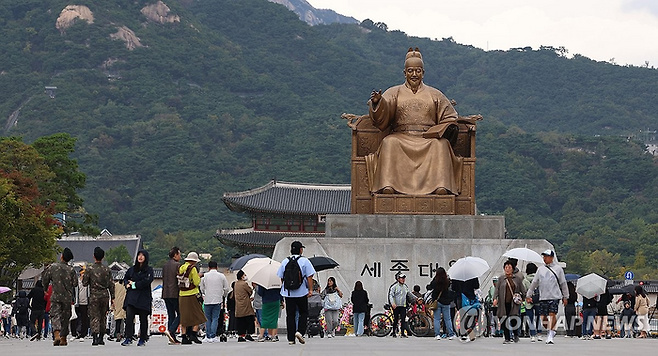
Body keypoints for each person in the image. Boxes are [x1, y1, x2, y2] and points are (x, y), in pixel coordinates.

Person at [366, 47, 462, 195]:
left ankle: (441, 187)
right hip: (401, 136)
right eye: (410, 71)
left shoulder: (435, 94)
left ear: (423, 73)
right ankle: (388, 186)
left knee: (441, 145)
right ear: (405, 73)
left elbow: (450, 116)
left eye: (418, 71)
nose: (414, 74)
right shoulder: (394, 92)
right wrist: (378, 103)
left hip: (428, 138)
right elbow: (382, 118)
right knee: (389, 142)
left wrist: (446, 126)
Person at [525, 249, 569, 345]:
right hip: (543, 297)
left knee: (552, 314)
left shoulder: (558, 269)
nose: (545, 258)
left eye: (547, 256)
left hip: (554, 296)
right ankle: (551, 330)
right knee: (543, 317)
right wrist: (528, 295)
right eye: (544, 256)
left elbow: (563, 283)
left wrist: (565, 296)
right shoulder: (540, 269)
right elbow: (534, 283)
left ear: (552, 258)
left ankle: (550, 334)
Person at [276, 240, 316, 345]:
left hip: (288, 293)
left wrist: (286, 286)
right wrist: (310, 290)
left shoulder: (285, 261)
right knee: (303, 313)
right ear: (301, 250)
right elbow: (309, 277)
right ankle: (300, 332)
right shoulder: (304, 261)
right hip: (301, 292)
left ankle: (291, 338)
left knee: (290, 315)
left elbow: (281, 277)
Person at [42, 247, 78, 346]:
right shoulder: (71, 270)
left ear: (61, 256)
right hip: (67, 297)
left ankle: (57, 334)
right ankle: (63, 338)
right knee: (66, 317)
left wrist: (45, 289)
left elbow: (45, 278)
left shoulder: (53, 267)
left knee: (55, 315)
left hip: (56, 295)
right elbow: (75, 283)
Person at [82, 246, 114, 346]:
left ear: (94, 257)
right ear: (103, 257)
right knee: (103, 316)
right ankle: (101, 338)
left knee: (94, 316)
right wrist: (113, 297)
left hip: (94, 295)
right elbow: (111, 284)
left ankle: (95, 337)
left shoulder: (90, 269)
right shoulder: (107, 269)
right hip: (105, 295)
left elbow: (84, 283)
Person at [122, 250, 154, 346]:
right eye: (139, 255)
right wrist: (127, 284)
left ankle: (142, 338)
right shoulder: (131, 269)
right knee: (129, 317)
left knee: (143, 319)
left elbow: (147, 281)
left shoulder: (149, 270)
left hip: (143, 297)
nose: (140, 257)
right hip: (131, 297)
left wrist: (134, 284)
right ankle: (128, 337)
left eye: (143, 255)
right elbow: (126, 278)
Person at [493, 260, 526, 344]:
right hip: (503, 303)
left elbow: (522, 290)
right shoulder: (501, 279)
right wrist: (495, 298)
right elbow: (497, 290)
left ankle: (515, 335)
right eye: (506, 267)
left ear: (513, 269)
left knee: (514, 319)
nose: (507, 269)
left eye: (509, 267)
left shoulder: (517, 279)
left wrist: (523, 297)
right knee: (503, 319)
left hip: (513, 303)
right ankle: (507, 337)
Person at [177, 251, 206, 345]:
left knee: (184, 316)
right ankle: (193, 334)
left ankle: (184, 336)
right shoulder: (193, 268)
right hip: (192, 294)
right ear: (194, 261)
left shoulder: (181, 267)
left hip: (182, 294)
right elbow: (197, 282)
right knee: (198, 314)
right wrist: (199, 276)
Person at [199, 260, 229, 343]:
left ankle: (208, 336)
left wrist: (206, 293)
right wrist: (223, 295)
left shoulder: (205, 276)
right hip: (218, 299)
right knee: (215, 318)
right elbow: (226, 288)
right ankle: (213, 335)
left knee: (208, 318)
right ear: (217, 267)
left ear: (208, 267)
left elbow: (201, 288)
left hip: (207, 300)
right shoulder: (221, 276)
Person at [428, 267, 455, 340]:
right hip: (446, 302)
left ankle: (437, 335)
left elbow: (430, 287)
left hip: (437, 302)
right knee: (448, 319)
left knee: (437, 319)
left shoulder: (435, 281)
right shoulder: (447, 281)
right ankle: (451, 334)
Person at [162, 246, 181, 344]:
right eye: (179, 254)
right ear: (175, 255)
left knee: (171, 314)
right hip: (174, 293)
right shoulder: (177, 265)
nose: (180, 256)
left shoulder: (165, 266)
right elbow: (179, 279)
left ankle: (171, 337)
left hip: (165, 293)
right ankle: (171, 331)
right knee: (181, 313)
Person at [388, 273, 417, 338]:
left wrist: (416, 298)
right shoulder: (394, 287)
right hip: (396, 306)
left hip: (403, 306)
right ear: (398, 279)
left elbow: (409, 293)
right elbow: (391, 295)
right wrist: (392, 303)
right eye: (401, 278)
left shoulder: (405, 287)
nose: (403, 280)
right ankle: (394, 332)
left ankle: (403, 333)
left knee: (403, 319)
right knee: (396, 319)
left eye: (404, 278)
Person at [233, 270, 255, 342]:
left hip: (238, 305)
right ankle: (248, 334)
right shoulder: (244, 284)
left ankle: (240, 335)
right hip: (245, 304)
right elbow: (250, 291)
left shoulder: (236, 284)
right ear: (242, 276)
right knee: (249, 319)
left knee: (240, 321)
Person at [522, 263, 541, 342]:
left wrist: (527, 298)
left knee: (530, 319)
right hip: (538, 301)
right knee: (538, 318)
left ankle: (532, 334)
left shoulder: (525, 280)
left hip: (528, 301)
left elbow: (523, 291)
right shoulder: (539, 279)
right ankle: (539, 334)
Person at [72, 267, 90, 341]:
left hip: (85, 302)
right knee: (75, 318)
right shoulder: (77, 281)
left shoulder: (88, 282)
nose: (83, 275)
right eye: (82, 273)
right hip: (77, 302)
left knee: (84, 319)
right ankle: (74, 333)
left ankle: (83, 333)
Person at [110, 271, 126, 342]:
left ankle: (118, 334)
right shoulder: (126, 285)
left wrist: (112, 305)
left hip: (117, 304)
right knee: (125, 320)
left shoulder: (115, 285)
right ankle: (124, 334)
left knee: (118, 321)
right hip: (124, 304)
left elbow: (112, 296)